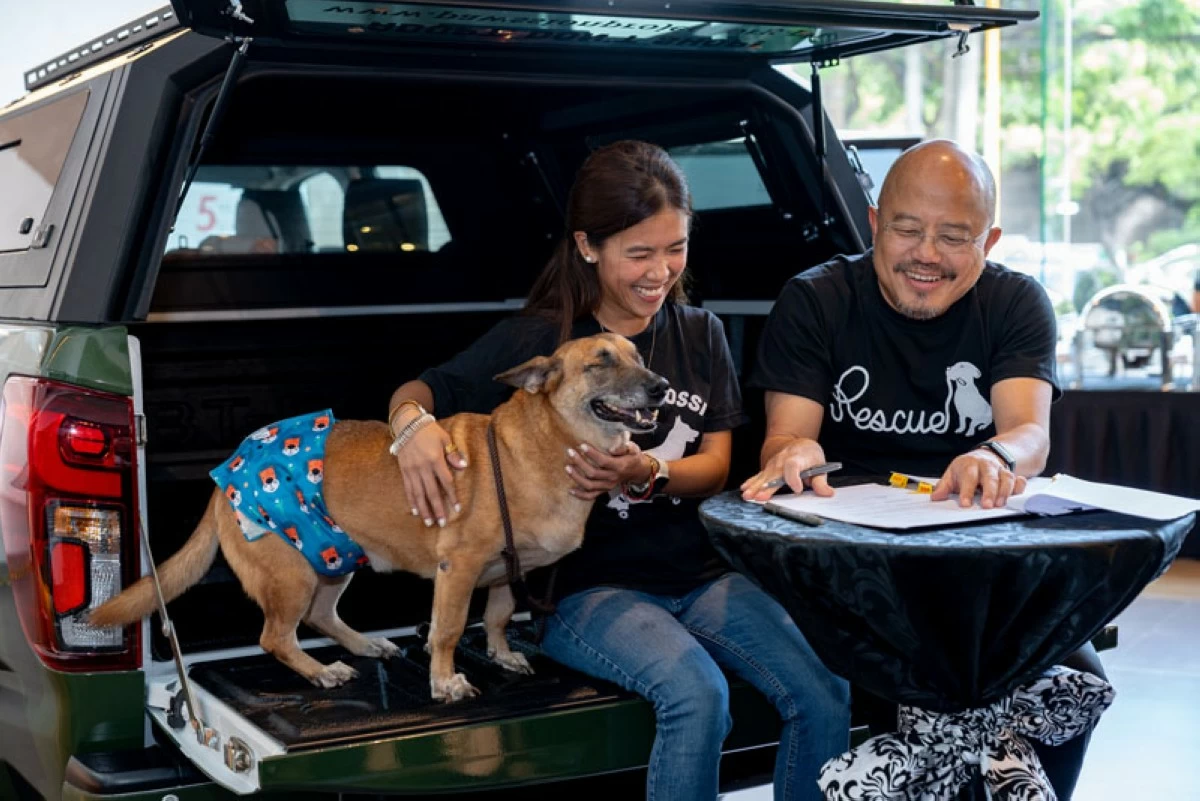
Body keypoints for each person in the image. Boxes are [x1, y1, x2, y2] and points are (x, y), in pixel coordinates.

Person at [385, 140, 849, 801]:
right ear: (588, 245)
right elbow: (424, 389)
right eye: (639, 252)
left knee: (825, 687)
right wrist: (412, 430)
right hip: (588, 590)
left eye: (675, 247)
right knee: (697, 694)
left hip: (698, 575)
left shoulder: (700, 332)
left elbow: (716, 466)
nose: (660, 271)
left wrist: (647, 471)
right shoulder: (546, 338)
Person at [739, 138, 1104, 799]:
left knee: (1077, 675)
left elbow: (1030, 433)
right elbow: (785, 439)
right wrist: (795, 453)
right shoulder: (817, 300)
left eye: (954, 236)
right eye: (908, 229)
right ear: (876, 222)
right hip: (852, 564)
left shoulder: (1016, 303)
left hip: (977, 559)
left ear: (989, 239)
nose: (927, 254)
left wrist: (994, 453)